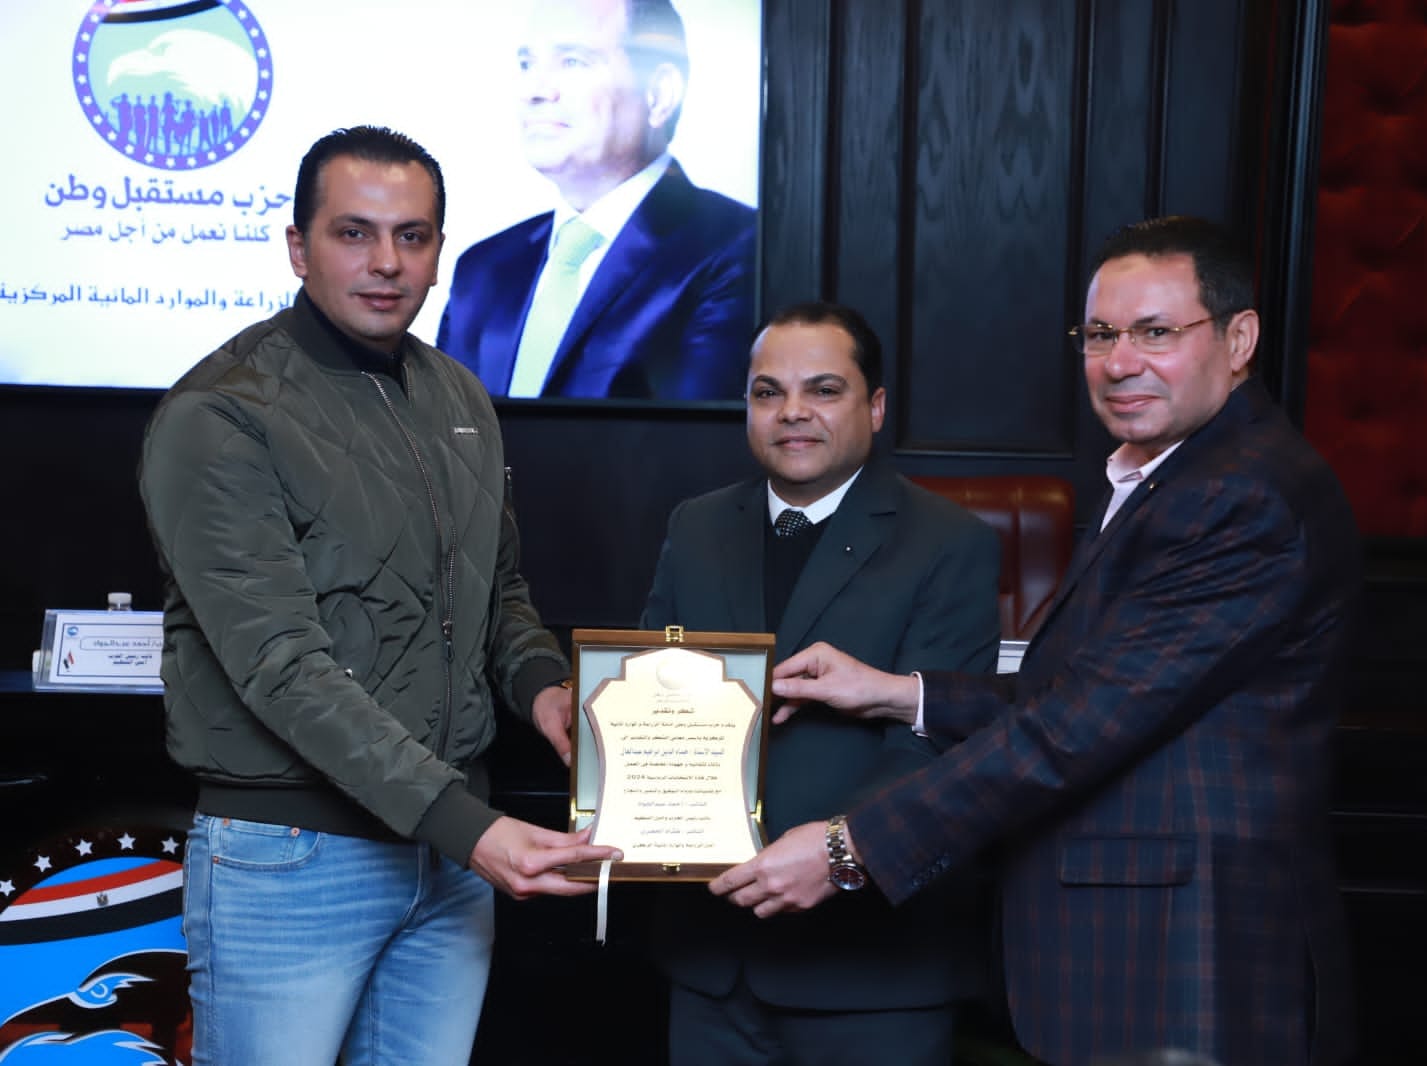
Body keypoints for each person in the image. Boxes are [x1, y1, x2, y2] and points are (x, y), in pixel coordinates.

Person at [710, 217, 1363, 1066]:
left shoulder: (1239, 495)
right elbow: (1088, 691)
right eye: (1100, 334)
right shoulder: (1173, 475)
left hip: (1183, 952)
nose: (1119, 362)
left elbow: (1074, 729)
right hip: (1133, 948)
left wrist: (849, 847)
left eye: (1155, 332)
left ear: (1239, 339)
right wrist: (900, 694)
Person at [138, 125, 620, 1066]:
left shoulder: (458, 396)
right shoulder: (220, 414)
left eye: (412, 236)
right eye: (354, 233)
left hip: (448, 857)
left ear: (439, 251)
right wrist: (471, 831)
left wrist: (543, 689)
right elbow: (282, 668)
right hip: (296, 854)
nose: (387, 262)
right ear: (298, 247)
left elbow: (497, 592)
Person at [551, 302, 1001, 1063]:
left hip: (871, 969)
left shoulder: (949, 542)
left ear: (875, 407)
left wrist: (838, 853)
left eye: (823, 390)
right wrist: (608, 756)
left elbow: (940, 744)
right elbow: (652, 698)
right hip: (709, 959)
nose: (793, 411)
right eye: (768, 392)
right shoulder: (697, 525)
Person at [438, 0, 756, 400]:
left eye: (573, 61)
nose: (535, 91)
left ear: (659, 94)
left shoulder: (738, 248)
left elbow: (695, 435)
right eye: (526, 64)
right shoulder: (483, 269)